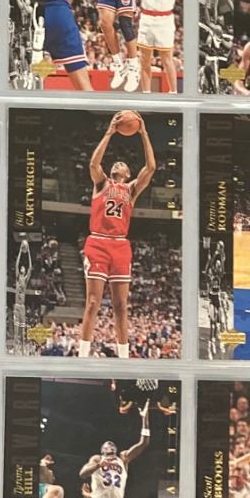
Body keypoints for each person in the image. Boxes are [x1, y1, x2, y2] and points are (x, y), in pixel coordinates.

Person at [75, 114, 157, 358]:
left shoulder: (131, 189)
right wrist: (109, 132)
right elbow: (93, 163)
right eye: (116, 163)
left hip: (120, 246)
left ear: (128, 173)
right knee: (93, 302)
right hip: (98, 242)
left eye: (122, 164)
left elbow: (151, 168)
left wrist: (144, 133)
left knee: (121, 306)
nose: (118, 163)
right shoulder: (102, 183)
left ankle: (124, 357)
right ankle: (82, 355)